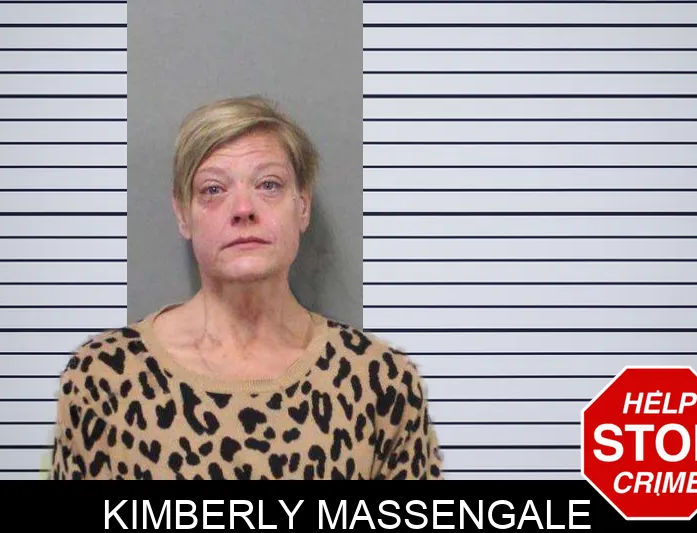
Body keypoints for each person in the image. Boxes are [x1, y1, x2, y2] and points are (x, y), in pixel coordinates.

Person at [49, 95, 443, 480]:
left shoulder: (381, 382)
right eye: (213, 189)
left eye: (268, 185)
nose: (243, 209)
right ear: (183, 213)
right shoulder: (104, 377)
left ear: (303, 205)